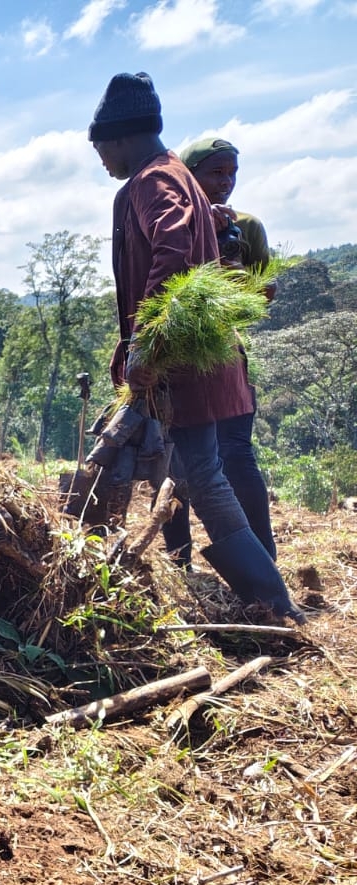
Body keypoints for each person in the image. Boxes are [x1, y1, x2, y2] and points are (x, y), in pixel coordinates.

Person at [89, 72, 298, 620]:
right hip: (187, 361)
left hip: (179, 362)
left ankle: (272, 601)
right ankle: (259, 594)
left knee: (198, 473)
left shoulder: (154, 181)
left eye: (100, 149)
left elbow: (175, 250)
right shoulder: (172, 175)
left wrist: (144, 342)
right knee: (188, 471)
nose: (102, 161)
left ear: (118, 138)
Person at [160, 135, 275, 567]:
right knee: (177, 464)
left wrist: (234, 270)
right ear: (190, 173)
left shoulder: (245, 227)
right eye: (216, 172)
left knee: (236, 455)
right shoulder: (172, 218)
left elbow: (263, 295)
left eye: (232, 173)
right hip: (175, 358)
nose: (226, 182)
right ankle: (179, 562)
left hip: (224, 354)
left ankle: (264, 560)